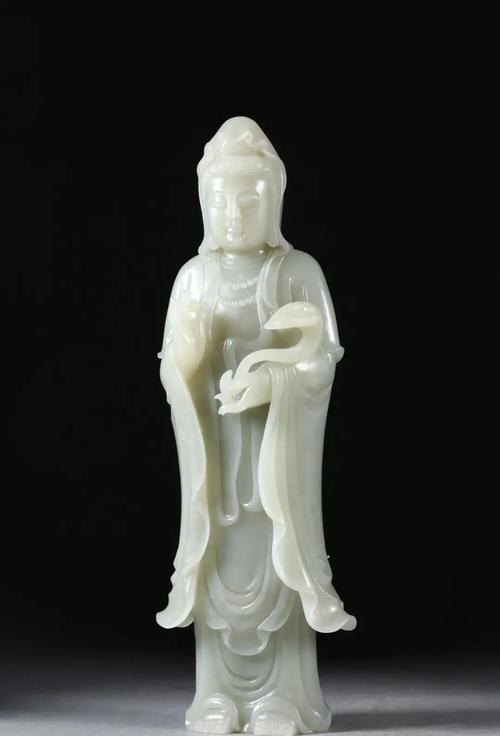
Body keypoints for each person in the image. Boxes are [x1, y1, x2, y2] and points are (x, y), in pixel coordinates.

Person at [157, 117, 356, 735]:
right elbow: (171, 365)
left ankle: (285, 699)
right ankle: (217, 695)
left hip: (277, 459)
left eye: (251, 200)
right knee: (215, 566)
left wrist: (278, 382)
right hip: (217, 463)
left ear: (275, 202)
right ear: (202, 204)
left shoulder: (297, 272)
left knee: (280, 563)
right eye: (220, 201)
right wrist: (186, 362)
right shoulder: (194, 278)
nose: (235, 215)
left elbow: (323, 359)